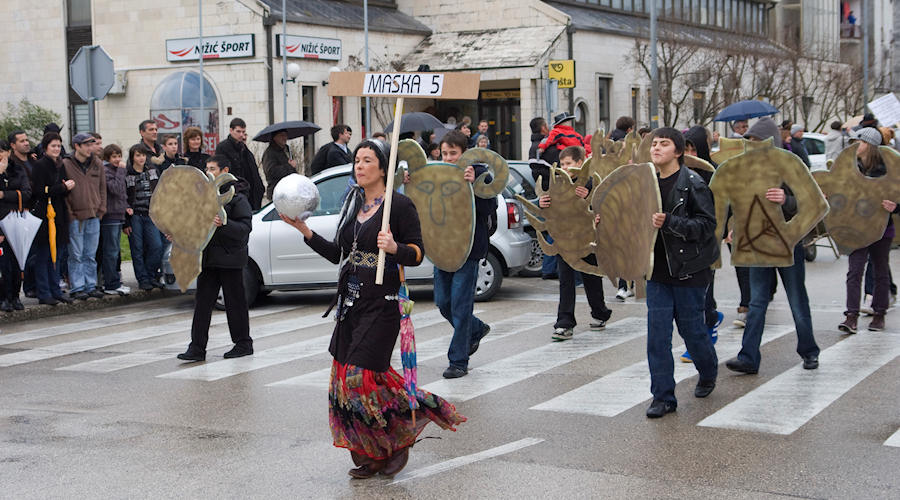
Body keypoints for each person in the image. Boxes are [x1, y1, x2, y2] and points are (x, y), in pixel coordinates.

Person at [279, 139, 464, 479]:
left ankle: (398, 438)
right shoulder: (353, 202)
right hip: (351, 303)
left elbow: (418, 253)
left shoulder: (399, 205)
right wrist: (304, 230)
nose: (359, 166)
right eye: (357, 161)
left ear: (383, 167)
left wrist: (394, 247)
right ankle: (372, 452)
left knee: (360, 377)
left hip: (383, 303)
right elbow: (338, 254)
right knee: (343, 380)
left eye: (367, 160)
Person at [725, 117, 820, 375]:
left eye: (757, 141)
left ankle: (809, 351)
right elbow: (742, 205)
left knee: (797, 299)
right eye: (750, 141)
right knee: (757, 302)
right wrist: (736, 228)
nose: (752, 145)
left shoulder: (789, 166)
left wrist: (786, 199)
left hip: (788, 245)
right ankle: (748, 357)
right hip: (758, 246)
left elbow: (812, 202)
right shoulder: (747, 170)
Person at [640, 127, 719, 419]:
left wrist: (671, 222)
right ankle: (663, 397)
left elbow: (707, 226)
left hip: (689, 271)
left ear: (678, 151)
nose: (656, 148)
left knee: (692, 332)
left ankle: (708, 371)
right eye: (654, 144)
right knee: (657, 338)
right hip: (657, 273)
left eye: (663, 144)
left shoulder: (693, 183)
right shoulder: (645, 183)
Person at [177, 155, 255, 361]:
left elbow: (245, 228)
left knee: (235, 304)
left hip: (230, 259)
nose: (208, 172)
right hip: (209, 259)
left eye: (212, 168)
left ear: (224, 171)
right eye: (207, 168)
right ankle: (197, 347)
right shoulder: (202, 196)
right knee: (202, 304)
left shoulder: (237, 197)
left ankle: (243, 343)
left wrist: (224, 224)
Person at [434, 130, 495, 379]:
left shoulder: (480, 173)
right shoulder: (437, 172)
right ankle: (476, 328)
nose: (448, 158)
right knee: (443, 302)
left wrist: (474, 185)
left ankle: (458, 361)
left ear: (465, 152)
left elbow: (489, 208)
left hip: (468, 249)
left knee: (460, 305)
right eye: (444, 153)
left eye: (453, 153)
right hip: (442, 247)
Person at [541, 146, 612, 341]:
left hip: (586, 239)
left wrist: (588, 197)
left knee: (591, 277)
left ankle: (600, 313)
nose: (564, 167)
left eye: (569, 163)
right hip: (564, 240)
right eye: (562, 164)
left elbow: (602, 206)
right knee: (566, 280)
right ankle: (564, 323)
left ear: (580, 163)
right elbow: (547, 203)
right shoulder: (557, 183)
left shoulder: (590, 181)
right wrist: (542, 202)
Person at [837, 127, 900, 333]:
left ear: (871, 145)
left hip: (882, 228)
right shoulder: (850, 167)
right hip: (857, 228)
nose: (856, 146)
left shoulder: (887, 169)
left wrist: (895, 207)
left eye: (860, 142)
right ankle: (851, 316)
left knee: (880, 271)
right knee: (854, 272)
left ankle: (879, 314)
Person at [678, 126, 724, 363]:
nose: (690, 154)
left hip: (707, 241)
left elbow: (724, 206)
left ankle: (705, 332)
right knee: (689, 297)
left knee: (703, 293)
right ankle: (710, 319)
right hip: (683, 241)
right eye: (685, 149)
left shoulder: (713, 173)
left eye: (693, 149)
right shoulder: (678, 172)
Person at [29, 133, 75, 306]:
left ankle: (55, 290)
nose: (56, 149)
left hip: (59, 212)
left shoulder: (60, 164)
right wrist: (62, 187)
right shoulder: (40, 165)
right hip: (45, 214)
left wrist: (67, 188)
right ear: (45, 147)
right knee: (44, 255)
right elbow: (40, 191)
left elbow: (62, 188)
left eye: (58, 146)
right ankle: (44, 292)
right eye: (53, 146)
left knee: (58, 253)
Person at [61, 133, 106, 301]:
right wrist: (70, 213)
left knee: (90, 254)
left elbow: (102, 188)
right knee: (76, 254)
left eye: (91, 144)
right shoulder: (66, 164)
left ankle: (91, 285)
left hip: (94, 214)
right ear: (77, 146)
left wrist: (102, 209)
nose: (90, 148)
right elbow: (64, 192)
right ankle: (77, 287)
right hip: (75, 216)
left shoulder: (97, 163)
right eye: (86, 145)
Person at [0, 139, 33, 311]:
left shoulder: (17, 170)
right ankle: (3, 297)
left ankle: (15, 296)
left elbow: (26, 193)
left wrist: (4, 195)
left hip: (16, 221)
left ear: (8, 152)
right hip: (1, 223)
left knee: (17, 261)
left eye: (1, 152)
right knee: (3, 264)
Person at [125, 144, 163, 291]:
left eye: (143, 155)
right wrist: (125, 221)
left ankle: (151, 275)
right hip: (135, 215)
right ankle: (143, 279)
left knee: (156, 246)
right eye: (138, 155)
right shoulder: (128, 174)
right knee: (137, 248)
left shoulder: (152, 171)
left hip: (151, 214)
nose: (141, 158)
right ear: (132, 157)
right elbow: (124, 197)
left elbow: (160, 190)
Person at [215, 118, 265, 210]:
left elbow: (252, 171)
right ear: (231, 130)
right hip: (235, 192)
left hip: (249, 192)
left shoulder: (244, 148)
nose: (241, 135)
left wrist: (260, 188)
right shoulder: (223, 147)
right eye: (238, 131)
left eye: (243, 132)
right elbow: (222, 172)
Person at [100, 144, 130, 296]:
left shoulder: (116, 171)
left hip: (119, 215)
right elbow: (116, 189)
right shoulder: (107, 171)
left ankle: (114, 281)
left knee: (115, 251)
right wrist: (121, 171)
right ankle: (111, 283)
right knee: (111, 252)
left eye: (119, 156)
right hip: (109, 216)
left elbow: (123, 194)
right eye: (114, 157)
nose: (117, 159)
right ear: (107, 158)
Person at [262, 130, 296, 201]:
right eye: (281, 135)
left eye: (285, 135)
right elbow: (271, 172)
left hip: (289, 191)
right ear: (275, 137)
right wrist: (289, 166)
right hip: (276, 192)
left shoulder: (287, 150)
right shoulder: (269, 153)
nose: (284, 138)